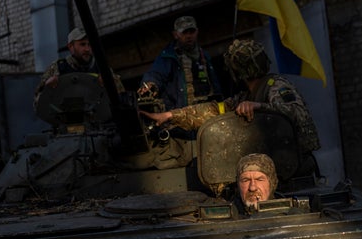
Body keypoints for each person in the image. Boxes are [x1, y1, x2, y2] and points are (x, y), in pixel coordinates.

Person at [140, 39, 321, 177]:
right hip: (267, 170)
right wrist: (170, 115)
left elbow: (297, 112)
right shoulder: (243, 97)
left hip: (295, 171)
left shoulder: (276, 86)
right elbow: (213, 110)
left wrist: (259, 106)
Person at [137, 16, 221, 112]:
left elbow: (215, 84)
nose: (189, 36)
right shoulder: (169, 57)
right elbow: (156, 74)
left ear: (197, 32)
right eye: (184, 32)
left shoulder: (204, 55)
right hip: (183, 112)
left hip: (208, 108)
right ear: (176, 34)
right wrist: (149, 84)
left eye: (191, 31)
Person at [34, 27, 124, 108]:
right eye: (82, 44)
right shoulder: (57, 68)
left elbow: (122, 98)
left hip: (98, 122)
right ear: (71, 47)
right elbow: (37, 104)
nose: (87, 49)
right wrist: (48, 89)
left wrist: (108, 87)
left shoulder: (102, 68)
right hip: (66, 122)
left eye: (89, 44)